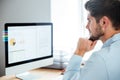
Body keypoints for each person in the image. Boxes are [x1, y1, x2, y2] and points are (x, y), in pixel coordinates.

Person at [63, 0, 120, 80]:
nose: (86, 26)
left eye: (89, 20)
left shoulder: (101, 59)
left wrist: (79, 51)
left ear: (103, 22)